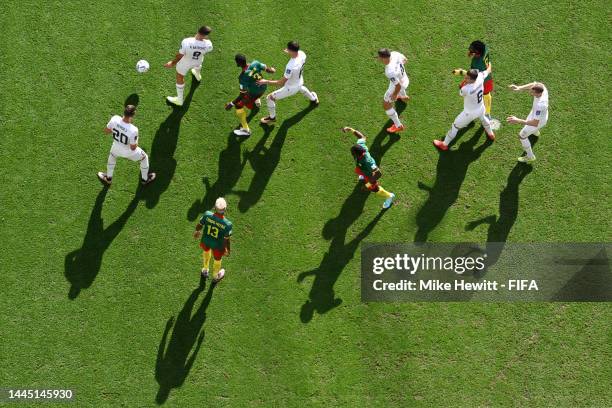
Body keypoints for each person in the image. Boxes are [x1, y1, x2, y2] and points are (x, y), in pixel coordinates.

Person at [433, 64, 495, 151]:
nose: (465, 79)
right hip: (481, 107)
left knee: (455, 126)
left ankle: (444, 144)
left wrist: (463, 84)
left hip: (469, 114)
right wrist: (489, 65)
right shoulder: (480, 77)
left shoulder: (466, 89)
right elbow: (488, 70)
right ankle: (490, 134)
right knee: (483, 118)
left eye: (467, 78)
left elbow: (461, 92)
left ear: (472, 79)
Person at [258, 41, 319, 124]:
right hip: (299, 80)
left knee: (270, 98)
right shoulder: (302, 54)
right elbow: (296, 57)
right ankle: (314, 99)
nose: (286, 50)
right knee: (301, 87)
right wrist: (290, 52)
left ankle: (272, 118)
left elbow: (280, 83)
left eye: (288, 49)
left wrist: (265, 81)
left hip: (290, 88)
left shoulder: (290, 67)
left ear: (292, 51)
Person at [97, 105, 156, 186]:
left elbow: (107, 131)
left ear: (124, 111)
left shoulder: (115, 118)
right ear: (133, 114)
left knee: (112, 157)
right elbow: (133, 147)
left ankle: (108, 178)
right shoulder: (133, 130)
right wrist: (137, 139)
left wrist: (117, 129)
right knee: (144, 157)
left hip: (116, 147)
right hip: (129, 152)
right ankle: (145, 180)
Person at [342, 126, 395, 209]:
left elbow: (378, 173)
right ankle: (363, 176)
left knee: (374, 188)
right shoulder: (360, 146)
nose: (352, 154)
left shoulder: (368, 161)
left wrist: (368, 185)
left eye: (353, 153)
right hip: (363, 170)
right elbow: (361, 137)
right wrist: (350, 129)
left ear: (358, 155)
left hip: (369, 175)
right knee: (361, 171)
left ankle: (389, 196)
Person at [225, 54, 276, 136]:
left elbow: (241, 95)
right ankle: (256, 100)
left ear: (238, 64)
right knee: (252, 94)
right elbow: (267, 69)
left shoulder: (242, 77)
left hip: (254, 93)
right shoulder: (255, 63)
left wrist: (231, 104)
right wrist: (273, 70)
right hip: (263, 87)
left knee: (238, 106)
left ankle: (246, 130)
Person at [164, 26, 213, 106]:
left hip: (185, 63)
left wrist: (172, 63)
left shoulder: (186, 41)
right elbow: (208, 49)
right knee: (197, 65)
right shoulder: (208, 44)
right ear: (206, 36)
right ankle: (197, 75)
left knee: (180, 76)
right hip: (198, 61)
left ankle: (179, 100)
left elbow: (180, 55)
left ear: (198, 30)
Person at [506, 82, 549, 162]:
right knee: (530, 127)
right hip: (540, 116)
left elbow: (534, 123)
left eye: (532, 92)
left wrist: (517, 120)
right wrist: (519, 87)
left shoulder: (540, 106)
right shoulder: (543, 88)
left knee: (522, 136)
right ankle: (535, 132)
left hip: (537, 122)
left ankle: (530, 156)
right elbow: (534, 83)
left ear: (538, 93)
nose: (530, 92)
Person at [193, 197, 233, 283]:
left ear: (214, 207)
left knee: (206, 253)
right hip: (218, 246)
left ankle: (205, 270)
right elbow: (227, 240)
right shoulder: (227, 224)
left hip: (206, 240)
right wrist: (228, 250)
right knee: (217, 260)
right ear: (225, 209)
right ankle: (215, 276)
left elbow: (199, 224)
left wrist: (197, 231)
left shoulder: (207, 214)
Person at [377, 48, 410, 133]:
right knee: (400, 87)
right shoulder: (395, 54)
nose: (378, 59)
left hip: (397, 87)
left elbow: (397, 86)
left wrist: (395, 94)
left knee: (386, 104)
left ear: (383, 58)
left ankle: (398, 125)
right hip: (405, 80)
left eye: (379, 57)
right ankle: (403, 97)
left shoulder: (389, 71)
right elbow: (405, 60)